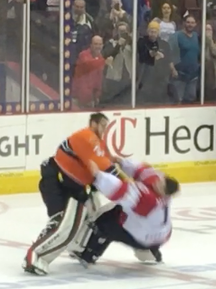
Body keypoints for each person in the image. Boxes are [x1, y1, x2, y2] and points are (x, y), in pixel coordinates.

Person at [23, 112, 117, 276]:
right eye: (102, 125)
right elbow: (104, 166)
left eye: (106, 126)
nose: (104, 129)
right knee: (64, 223)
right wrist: (128, 183)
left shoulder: (98, 143)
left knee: (91, 215)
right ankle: (35, 256)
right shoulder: (87, 136)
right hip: (59, 181)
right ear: (93, 124)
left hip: (72, 186)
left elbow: (105, 163)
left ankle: (78, 247)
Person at [72, 157, 179, 266]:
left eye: (160, 185)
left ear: (163, 192)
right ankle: (152, 252)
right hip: (163, 235)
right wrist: (121, 162)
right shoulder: (161, 188)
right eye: (160, 180)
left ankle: (89, 255)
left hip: (141, 239)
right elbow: (141, 170)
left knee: (105, 221)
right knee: (134, 217)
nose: (157, 182)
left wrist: (98, 175)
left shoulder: (147, 198)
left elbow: (119, 190)